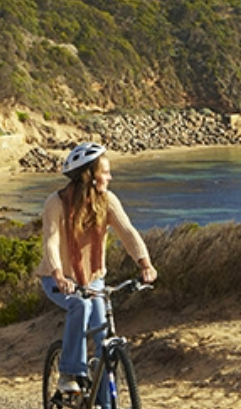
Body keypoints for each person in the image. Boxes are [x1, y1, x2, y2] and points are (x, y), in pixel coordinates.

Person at [37, 142, 158, 396]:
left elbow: (127, 232)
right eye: (105, 172)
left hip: (94, 281)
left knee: (104, 343)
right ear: (88, 176)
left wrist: (144, 263)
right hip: (56, 278)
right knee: (79, 305)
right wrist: (59, 275)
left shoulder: (107, 201)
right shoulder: (55, 203)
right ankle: (70, 373)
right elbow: (51, 240)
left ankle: (104, 403)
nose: (110, 177)